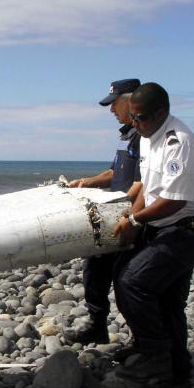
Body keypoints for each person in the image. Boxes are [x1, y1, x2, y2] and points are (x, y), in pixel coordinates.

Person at [111, 83, 194, 388]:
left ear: (161, 113)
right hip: (164, 227)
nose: (136, 123)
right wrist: (133, 217)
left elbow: (174, 200)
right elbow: (148, 188)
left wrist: (135, 221)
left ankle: (155, 357)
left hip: (189, 230)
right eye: (133, 117)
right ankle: (176, 376)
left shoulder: (179, 143)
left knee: (134, 282)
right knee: (164, 298)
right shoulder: (148, 137)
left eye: (142, 118)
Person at [65, 78, 142, 345]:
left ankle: (142, 339)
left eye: (114, 104)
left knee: (126, 281)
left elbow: (142, 183)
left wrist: (129, 217)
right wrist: (86, 182)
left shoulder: (144, 137)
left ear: (131, 101)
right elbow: (114, 173)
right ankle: (97, 325)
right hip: (113, 214)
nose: (111, 110)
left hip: (130, 217)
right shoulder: (126, 135)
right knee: (94, 271)